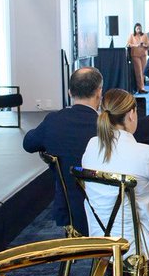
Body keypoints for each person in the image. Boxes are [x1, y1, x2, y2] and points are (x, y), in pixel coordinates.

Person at [82, 89, 149, 270]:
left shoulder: (92, 145)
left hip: (100, 234)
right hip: (137, 241)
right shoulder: (145, 153)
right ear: (131, 114)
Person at [23, 67, 103, 235]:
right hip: (104, 211)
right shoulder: (105, 127)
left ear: (69, 92)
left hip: (68, 210)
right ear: (99, 92)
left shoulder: (53, 121)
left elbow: (28, 143)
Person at [127, 22, 149, 92]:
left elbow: (148, 45)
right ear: (135, 29)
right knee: (138, 71)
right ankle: (141, 88)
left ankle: (142, 87)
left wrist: (144, 45)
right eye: (137, 28)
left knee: (143, 72)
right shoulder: (132, 36)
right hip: (135, 55)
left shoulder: (145, 35)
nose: (139, 29)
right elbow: (128, 44)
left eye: (140, 28)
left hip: (143, 55)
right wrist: (136, 45)